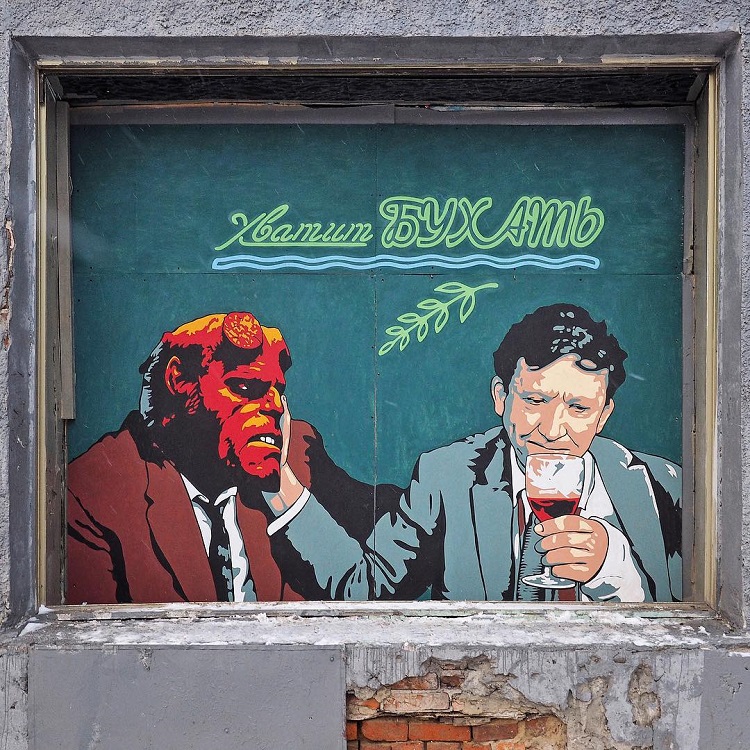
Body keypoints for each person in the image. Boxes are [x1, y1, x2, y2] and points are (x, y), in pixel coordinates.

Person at [272, 303, 682, 602]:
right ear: (500, 396)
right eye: (535, 401)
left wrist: (611, 567)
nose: (553, 429)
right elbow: (364, 588)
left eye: (578, 409)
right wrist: (279, 486)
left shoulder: (664, 487)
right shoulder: (447, 476)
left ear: (604, 415)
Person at [66, 311, 390, 604]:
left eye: (278, 391)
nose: (275, 406)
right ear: (178, 380)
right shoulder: (97, 491)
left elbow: (384, 553)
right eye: (245, 387)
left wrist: (284, 488)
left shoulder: (294, 456)